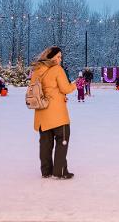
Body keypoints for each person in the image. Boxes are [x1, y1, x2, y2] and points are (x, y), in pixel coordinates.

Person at [31, 46, 76, 179]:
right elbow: (65, 88)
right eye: (58, 56)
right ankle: (60, 171)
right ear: (50, 57)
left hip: (41, 114)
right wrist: (75, 84)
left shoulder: (37, 70)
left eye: (60, 57)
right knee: (62, 139)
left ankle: (46, 171)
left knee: (45, 142)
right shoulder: (57, 69)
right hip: (57, 114)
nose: (60, 59)